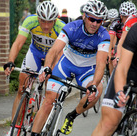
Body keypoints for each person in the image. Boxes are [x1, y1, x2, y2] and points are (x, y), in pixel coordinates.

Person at [32, 0, 110, 135]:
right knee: (49, 100)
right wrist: (47, 67)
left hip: (87, 70)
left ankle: (71, 116)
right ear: (85, 16)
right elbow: (54, 50)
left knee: (97, 91)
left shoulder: (104, 35)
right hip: (66, 64)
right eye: (92, 19)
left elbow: (101, 63)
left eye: (99, 21)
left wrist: (94, 84)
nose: (94, 24)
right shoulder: (72, 27)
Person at [3, 1, 65, 135]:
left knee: (50, 91)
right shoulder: (30, 21)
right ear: (38, 18)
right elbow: (18, 43)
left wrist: (50, 69)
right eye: (43, 21)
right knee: (21, 88)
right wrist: (10, 61)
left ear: (55, 20)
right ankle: (14, 129)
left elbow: (60, 53)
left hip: (53, 57)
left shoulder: (61, 27)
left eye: (50, 22)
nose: (46, 25)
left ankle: (40, 120)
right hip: (35, 54)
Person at [92, 22, 137, 136]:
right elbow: (122, 68)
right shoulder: (135, 31)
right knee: (108, 123)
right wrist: (120, 92)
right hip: (129, 74)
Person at [108, 1, 137, 75]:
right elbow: (111, 38)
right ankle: (112, 76)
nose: (128, 19)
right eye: (125, 17)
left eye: (130, 16)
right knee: (113, 54)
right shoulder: (116, 22)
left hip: (131, 41)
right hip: (118, 41)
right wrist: (112, 53)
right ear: (121, 16)